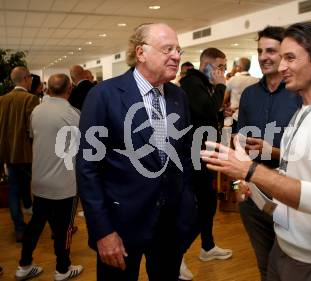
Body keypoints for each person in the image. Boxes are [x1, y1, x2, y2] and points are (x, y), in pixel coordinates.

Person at [201, 21, 311, 281]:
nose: (280, 66)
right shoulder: (303, 111)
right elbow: (294, 169)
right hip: (285, 245)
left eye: (289, 57)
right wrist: (246, 182)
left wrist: (250, 170)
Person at [77, 23, 196, 281]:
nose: (176, 56)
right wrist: (102, 231)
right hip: (120, 226)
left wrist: (188, 208)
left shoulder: (178, 96)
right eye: (168, 49)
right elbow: (88, 169)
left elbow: (184, 157)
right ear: (141, 53)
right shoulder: (104, 95)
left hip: (170, 227)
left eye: (178, 49)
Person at [235, 26, 301, 281]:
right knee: (265, 266)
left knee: (289, 266)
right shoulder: (250, 94)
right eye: (260, 51)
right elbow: (240, 142)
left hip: (289, 194)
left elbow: (307, 152)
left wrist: (270, 150)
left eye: (271, 50)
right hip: (253, 195)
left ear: (284, 54)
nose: (264, 56)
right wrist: (239, 182)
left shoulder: (298, 94)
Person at [15, 74, 83, 281]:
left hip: (40, 179)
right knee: (64, 229)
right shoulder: (73, 114)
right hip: (64, 183)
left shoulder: (37, 110)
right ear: (69, 89)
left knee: (36, 224)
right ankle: (63, 269)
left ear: (47, 89)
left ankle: (24, 265)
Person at [179, 47, 232, 280]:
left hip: (205, 152)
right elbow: (208, 109)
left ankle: (208, 247)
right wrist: (222, 88)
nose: (222, 72)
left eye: (224, 67)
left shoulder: (201, 84)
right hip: (195, 155)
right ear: (206, 65)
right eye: (219, 66)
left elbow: (205, 115)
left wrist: (220, 113)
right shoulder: (192, 82)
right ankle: (177, 254)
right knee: (204, 206)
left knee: (208, 203)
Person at [0, 66, 39, 242]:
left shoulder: (2, 99)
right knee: (37, 189)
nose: (31, 80)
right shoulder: (30, 99)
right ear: (25, 78)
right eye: (30, 77)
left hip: (7, 153)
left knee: (14, 191)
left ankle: (19, 228)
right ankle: (47, 225)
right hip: (25, 153)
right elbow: (32, 129)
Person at [223, 57, 259, 133]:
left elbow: (224, 99)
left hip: (235, 115)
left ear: (238, 67)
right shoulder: (257, 80)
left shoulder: (233, 79)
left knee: (234, 140)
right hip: (251, 116)